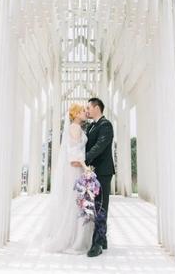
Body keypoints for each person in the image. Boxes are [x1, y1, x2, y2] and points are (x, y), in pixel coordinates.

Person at [34, 103, 95, 254]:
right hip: (75, 167)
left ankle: (77, 236)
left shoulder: (76, 128)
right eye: (81, 111)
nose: (84, 112)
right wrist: (85, 166)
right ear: (75, 114)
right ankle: (74, 238)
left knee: (75, 200)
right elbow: (74, 151)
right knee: (75, 200)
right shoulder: (75, 128)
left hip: (77, 166)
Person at [84, 97, 115, 257]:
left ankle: (97, 244)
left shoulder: (106, 125)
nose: (86, 110)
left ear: (96, 108)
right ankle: (102, 239)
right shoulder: (90, 126)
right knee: (95, 205)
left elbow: (100, 145)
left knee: (101, 206)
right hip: (92, 171)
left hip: (103, 171)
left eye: (88, 107)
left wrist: (85, 158)